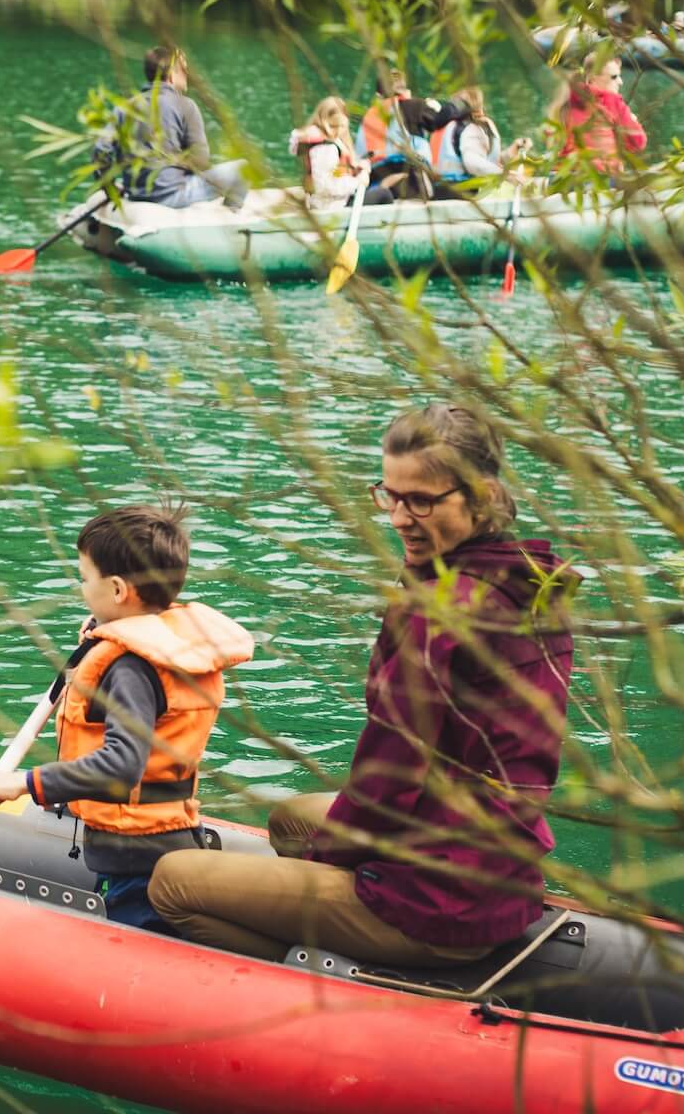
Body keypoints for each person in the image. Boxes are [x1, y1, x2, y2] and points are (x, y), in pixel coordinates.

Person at [148, 405, 577, 966]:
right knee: (291, 821)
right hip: (493, 867)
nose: (399, 518)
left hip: (440, 905)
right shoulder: (527, 582)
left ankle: (322, 978)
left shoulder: (441, 616)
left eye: (421, 500)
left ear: (482, 496)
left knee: (172, 883)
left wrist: (336, 862)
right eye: (390, 496)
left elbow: (388, 783)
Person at [0, 505, 254, 933]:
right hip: (161, 839)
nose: (83, 588)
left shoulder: (130, 668)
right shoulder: (155, 645)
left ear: (118, 590)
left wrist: (24, 785)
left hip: (139, 862)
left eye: (85, 579)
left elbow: (122, 766)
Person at [92, 47, 249, 209]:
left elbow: (99, 152)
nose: (188, 74)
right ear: (173, 75)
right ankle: (231, 216)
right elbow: (201, 161)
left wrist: (110, 189)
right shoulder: (185, 106)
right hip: (174, 196)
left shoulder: (123, 108)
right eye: (185, 69)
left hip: (136, 195)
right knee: (243, 167)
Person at [359, 71, 468, 203]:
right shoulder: (414, 106)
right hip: (409, 175)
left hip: (374, 178)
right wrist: (453, 105)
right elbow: (440, 120)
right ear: (405, 89)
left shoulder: (369, 115)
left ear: (378, 95)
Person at [547, 54, 646, 174]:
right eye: (614, 77)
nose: (620, 82)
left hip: (564, 175)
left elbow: (553, 140)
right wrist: (633, 120)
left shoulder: (565, 100)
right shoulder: (612, 101)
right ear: (593, 78)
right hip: (600, 177)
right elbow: (638, 143)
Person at [427, 88, 526, 196]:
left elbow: (485, 161)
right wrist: (504, 175)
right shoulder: (471, 127)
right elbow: (472, 162)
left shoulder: (447, 126)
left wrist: (512, 151)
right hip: (460, 193)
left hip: (438, 191)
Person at [286, 96, 364, 206]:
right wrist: (358, 182)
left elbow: (335, 171)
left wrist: (355, 170)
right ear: (322, 121)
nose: (338, 131)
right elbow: (325, 187)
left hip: (332, 200)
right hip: (331, 205)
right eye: (333, 126)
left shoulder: (332, 141)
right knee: (384, 194)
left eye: (342, 126)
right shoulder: (325, 147)